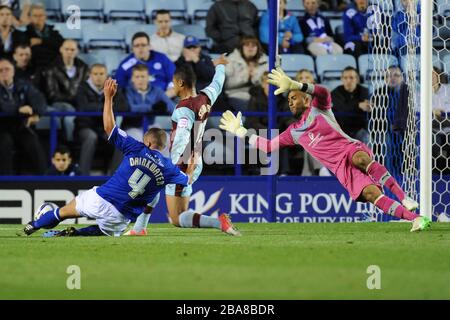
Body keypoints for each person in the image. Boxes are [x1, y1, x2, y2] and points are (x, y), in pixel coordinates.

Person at [219, 67, 431, 232]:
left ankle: (403, 196)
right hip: (341, 170)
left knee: (360, 159)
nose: (291, 103)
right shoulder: (293, 132)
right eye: (289, 100)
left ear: (306, 99)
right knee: (371, 194)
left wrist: (295, 84)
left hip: (350, 149)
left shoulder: (320, 107)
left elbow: (323, 91)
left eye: (294, 98)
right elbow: (268, 146)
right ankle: (416, 219)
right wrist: (241, 131)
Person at [21, 78, 197, 238]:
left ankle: (33, 225)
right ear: (163, 146)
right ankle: (71, 235)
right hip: (121, 216)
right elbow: (187, 180)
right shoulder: (169, 169)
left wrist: (108, 98)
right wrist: (192, 164)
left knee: (64, 212)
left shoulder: (136, 147)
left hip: (101, 198)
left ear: (147, 142)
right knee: (104, 231)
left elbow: (109, 127)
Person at [127, 55, 240, 237]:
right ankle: (139, 229)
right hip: (195, 159)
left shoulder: (183, 109)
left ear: (180, 83)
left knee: (178, 218)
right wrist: (220, 66)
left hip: (182, 162)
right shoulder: (206, 97)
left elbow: (181, 136)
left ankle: (218, 222)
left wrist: (172, 166)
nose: (172, 86)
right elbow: (217, 83)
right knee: (154, 184)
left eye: (173, 82)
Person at [75, 63, 129, 175]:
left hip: (106, 127)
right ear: (89, 75)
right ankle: (83, 175)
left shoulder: (114, 87)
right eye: (95, 74)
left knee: (121, 139)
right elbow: (83, 107)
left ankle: (114, 176)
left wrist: (98, 106)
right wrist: (108, 104)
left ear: (107, 75)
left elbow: (124, 106)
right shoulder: (81, 88)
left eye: (101, 73)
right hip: (85, 126)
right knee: (90, 137)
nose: (98, 76)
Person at [0, 58, 47, 175]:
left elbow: (40, 100)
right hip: (2, 128)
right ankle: (7, 182)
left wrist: (36, 114)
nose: (4, 72)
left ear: (13, 71)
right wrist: (18, 109)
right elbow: (3, 106)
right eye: (0, 70)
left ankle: (45, 179)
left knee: (34, 143)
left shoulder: (23, 85)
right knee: (5, 143)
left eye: (7, 69)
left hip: (21, 125)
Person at [371, 66, 409, 178]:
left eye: (396, 75)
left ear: (402, 77)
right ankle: (388, 176)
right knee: (386, 141)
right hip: (385, 129)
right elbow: (376, 117)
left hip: (404, 128)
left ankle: (411, 174)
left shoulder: (408, 92)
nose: (392, 78)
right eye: (388, 75)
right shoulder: (378, 93)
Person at [122, 64, 175, 143]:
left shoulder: (156, 91)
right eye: (137, 77)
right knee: (139, 142)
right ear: (132, 78)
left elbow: (172, 107)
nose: (140, 79)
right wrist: (152, 108)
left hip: (151, 126)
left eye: (143, 76)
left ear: (148, 77)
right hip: (131, 127)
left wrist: (164, 107)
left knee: (167, 142)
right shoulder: (126, 91)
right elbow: (130, 107)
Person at [115, 32, 175, 98]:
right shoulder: (125, 65)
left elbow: (175, 79)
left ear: (149, 46)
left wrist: (165, 96)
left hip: (163, 98)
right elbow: (119, 86)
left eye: (143, 45)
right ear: (132, 48)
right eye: (137, 45)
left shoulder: (162, 59)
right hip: (136, 100)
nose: (140, 48)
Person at [224, 36, 268, 111]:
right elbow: (227, 84)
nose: (250, 48)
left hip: (260, 95)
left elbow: (267, 83)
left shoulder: (265, 61)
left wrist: (255, 77)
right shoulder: (230, 60)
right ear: (241, 47)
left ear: (258, 48)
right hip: (236, 94)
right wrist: (246, 76)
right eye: (247, 45)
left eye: (253, 46)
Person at [331, 66, 370, 144]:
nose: (348, 80)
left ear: (357, 79)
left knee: (366, 137)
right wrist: (358, 105)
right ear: (341, 79)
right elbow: (341, 107)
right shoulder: (336, 92)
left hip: (360, 128)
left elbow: (366, 107)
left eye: (351, 77)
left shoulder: (365, 91)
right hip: (341, 129)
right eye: (345, 78)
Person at [24, 3, 64, 67]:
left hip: (54, 67)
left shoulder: (54, 33)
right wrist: (50, 45)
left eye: (41, 15)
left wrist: (41, 41)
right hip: (34, 67)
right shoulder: (25, 35)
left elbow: (62, 47)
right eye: (35, 16)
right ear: (30, 18)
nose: (38, 18)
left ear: (45, 17)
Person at [432, 67, 450, 173]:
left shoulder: (448, 89)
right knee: (432, 141)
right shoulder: (420, 92)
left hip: (447, 125)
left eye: (433, 74)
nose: (431, 77)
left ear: (438, 75)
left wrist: (442, 112)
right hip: (431, 129)